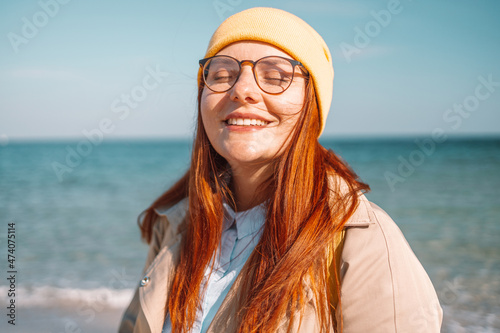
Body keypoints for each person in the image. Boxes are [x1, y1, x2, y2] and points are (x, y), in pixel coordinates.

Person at [118, 7, 442, 333]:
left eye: (275, 77)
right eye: (221, 75)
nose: (241, 90)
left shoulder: (362, 241)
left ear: (310, 103)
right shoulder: (178, 223)